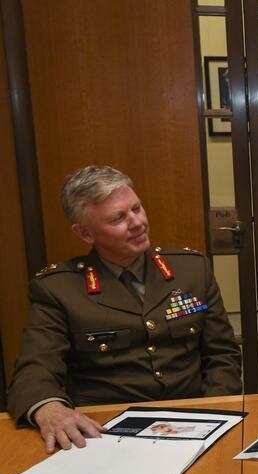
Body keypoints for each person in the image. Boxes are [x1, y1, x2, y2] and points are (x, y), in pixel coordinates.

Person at [7, 165, 242, 452]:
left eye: (137, 208)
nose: (137, 222)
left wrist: (214, 412)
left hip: (196, 419)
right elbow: (35, 368)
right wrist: (50, 409)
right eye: (118, 218)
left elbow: (223, 354)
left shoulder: (191, 269)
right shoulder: (59, 289)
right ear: (85, 233)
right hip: (106, 430)